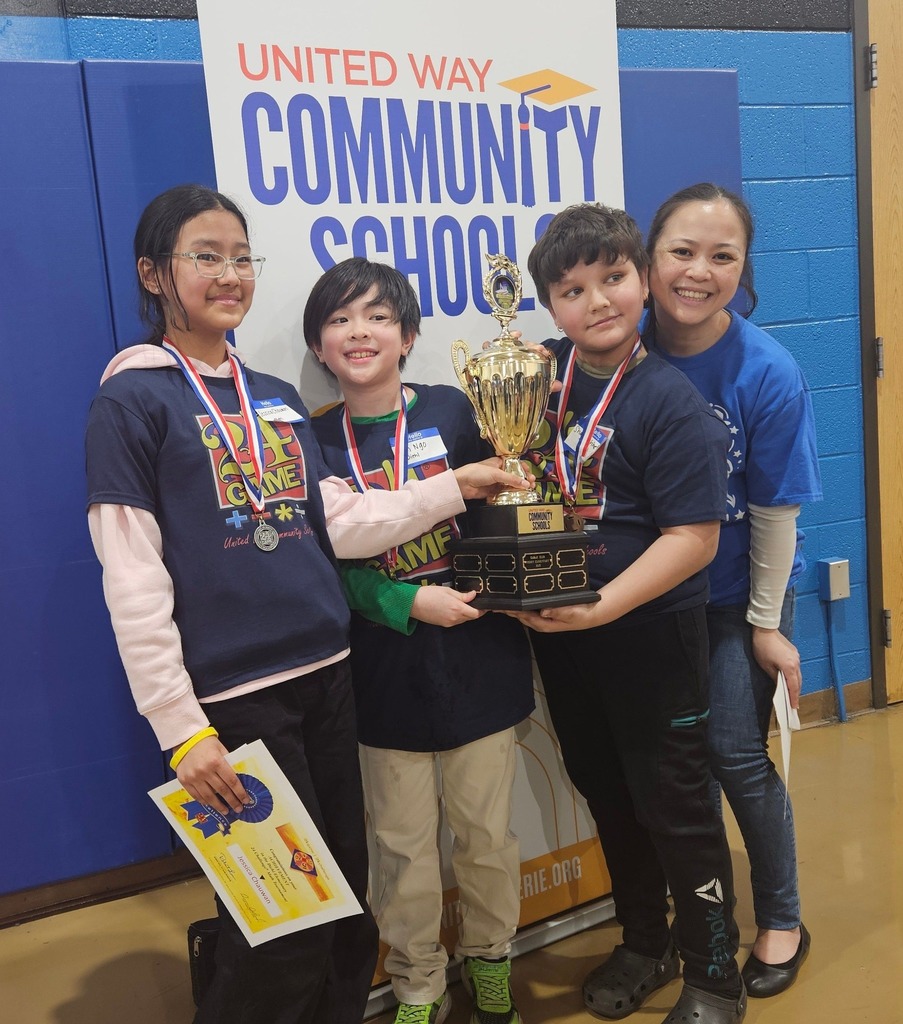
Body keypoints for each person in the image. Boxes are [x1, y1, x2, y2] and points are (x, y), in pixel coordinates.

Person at [83, 185, 530, 1024]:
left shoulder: (272, 401)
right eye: (203, 257)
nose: (228, 274)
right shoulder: (133, 400)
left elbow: (341, 521)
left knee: (345, 910)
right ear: (153, 274)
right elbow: (132, 578)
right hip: (233, 700)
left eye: (241, 257)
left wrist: (453, 486)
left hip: (329, 680)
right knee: (278, 923)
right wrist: (180, 729)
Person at [512, 202, 747, 1024]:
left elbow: (694, 538)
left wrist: (602, 606)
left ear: (641, 280)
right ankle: (645, 940)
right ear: (550, 305)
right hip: (566, 641)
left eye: (612, 277)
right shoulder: (535, 380)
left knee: (674, 805)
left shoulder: (666, 400)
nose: (597, 301)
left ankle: (716, 971)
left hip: (647, 636)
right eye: (572, 289)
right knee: (605, 792)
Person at [306, 257, 534, 1024]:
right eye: (339, 319)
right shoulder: (311, 443)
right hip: (381, 673)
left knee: (484, 835)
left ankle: (491, 958)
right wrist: (403, 599)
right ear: (318, 346)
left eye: (376, 316)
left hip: (478, 657)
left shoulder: (454, 409)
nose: (358, 331)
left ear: (406, 334)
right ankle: (416, 982)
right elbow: (320, 564)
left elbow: (498, 513)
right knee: (400, 845)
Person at [643, 183, 821, 997]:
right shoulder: (619, 348)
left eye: (722, 256)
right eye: (681, 251)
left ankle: (780, 917)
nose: (697, 271)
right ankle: (686, 910)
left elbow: (775, 508)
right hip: (649, 598)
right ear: (650, 256)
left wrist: (763, 623)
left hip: (731, 598)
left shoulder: (765, 370)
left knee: (733, 757)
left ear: (743, 268)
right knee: (663, 764)